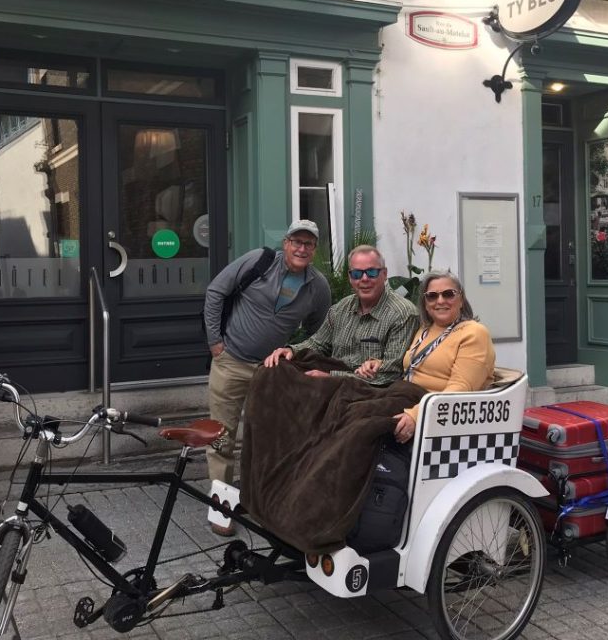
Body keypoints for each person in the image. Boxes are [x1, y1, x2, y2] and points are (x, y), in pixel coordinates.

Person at [202, 220, 331, 534]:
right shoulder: (259, 261)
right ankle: (221, 508)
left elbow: (319, 331)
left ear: (314, 249)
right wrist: (215, 341)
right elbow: (216, 291)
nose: (301, 249)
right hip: (231, 362)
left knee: (266, 437)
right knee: (221, 436)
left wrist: (295, 354)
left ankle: (259, 501)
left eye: (308, 244)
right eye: (296, 242)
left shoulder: (318, 287)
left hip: (272, 372)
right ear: (285, 242)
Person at [263, 245, 418, 387]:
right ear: (350, 278)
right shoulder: (340, 309)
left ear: (384, 274)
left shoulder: (402, 314)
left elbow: (389, 373)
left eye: (371, 272)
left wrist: (332, 377)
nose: (364, 279)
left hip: (369, 389)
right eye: (357, 274)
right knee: (272, 370)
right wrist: (291, 350)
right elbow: (318, 344)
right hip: (333, 379)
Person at [391, 270, 495, 443]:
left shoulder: (474, 333)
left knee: (360, 423)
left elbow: (460, 390)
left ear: (461, 300)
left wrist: (416, 416)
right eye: (432, 296)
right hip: (405, 395)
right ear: (425, 303)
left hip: (439, 413)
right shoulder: (425, 330)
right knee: (345, 396)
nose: (440, 301)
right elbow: (413, 365)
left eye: (448, 294)